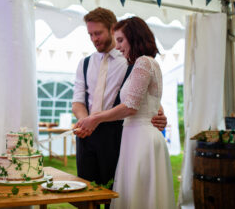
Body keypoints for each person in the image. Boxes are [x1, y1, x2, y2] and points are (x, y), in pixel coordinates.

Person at [75, 17, 175, 209]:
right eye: (90, 34)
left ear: (133, 36)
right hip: (111, 136)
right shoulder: (86, 63)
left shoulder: (139, 62)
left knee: (136, 193)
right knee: (88, 196)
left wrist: (158, 114)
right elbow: (144, 97)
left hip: (125, 136)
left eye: (120, 40)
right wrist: (87, 122)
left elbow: (133, 104)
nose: (94, 38)